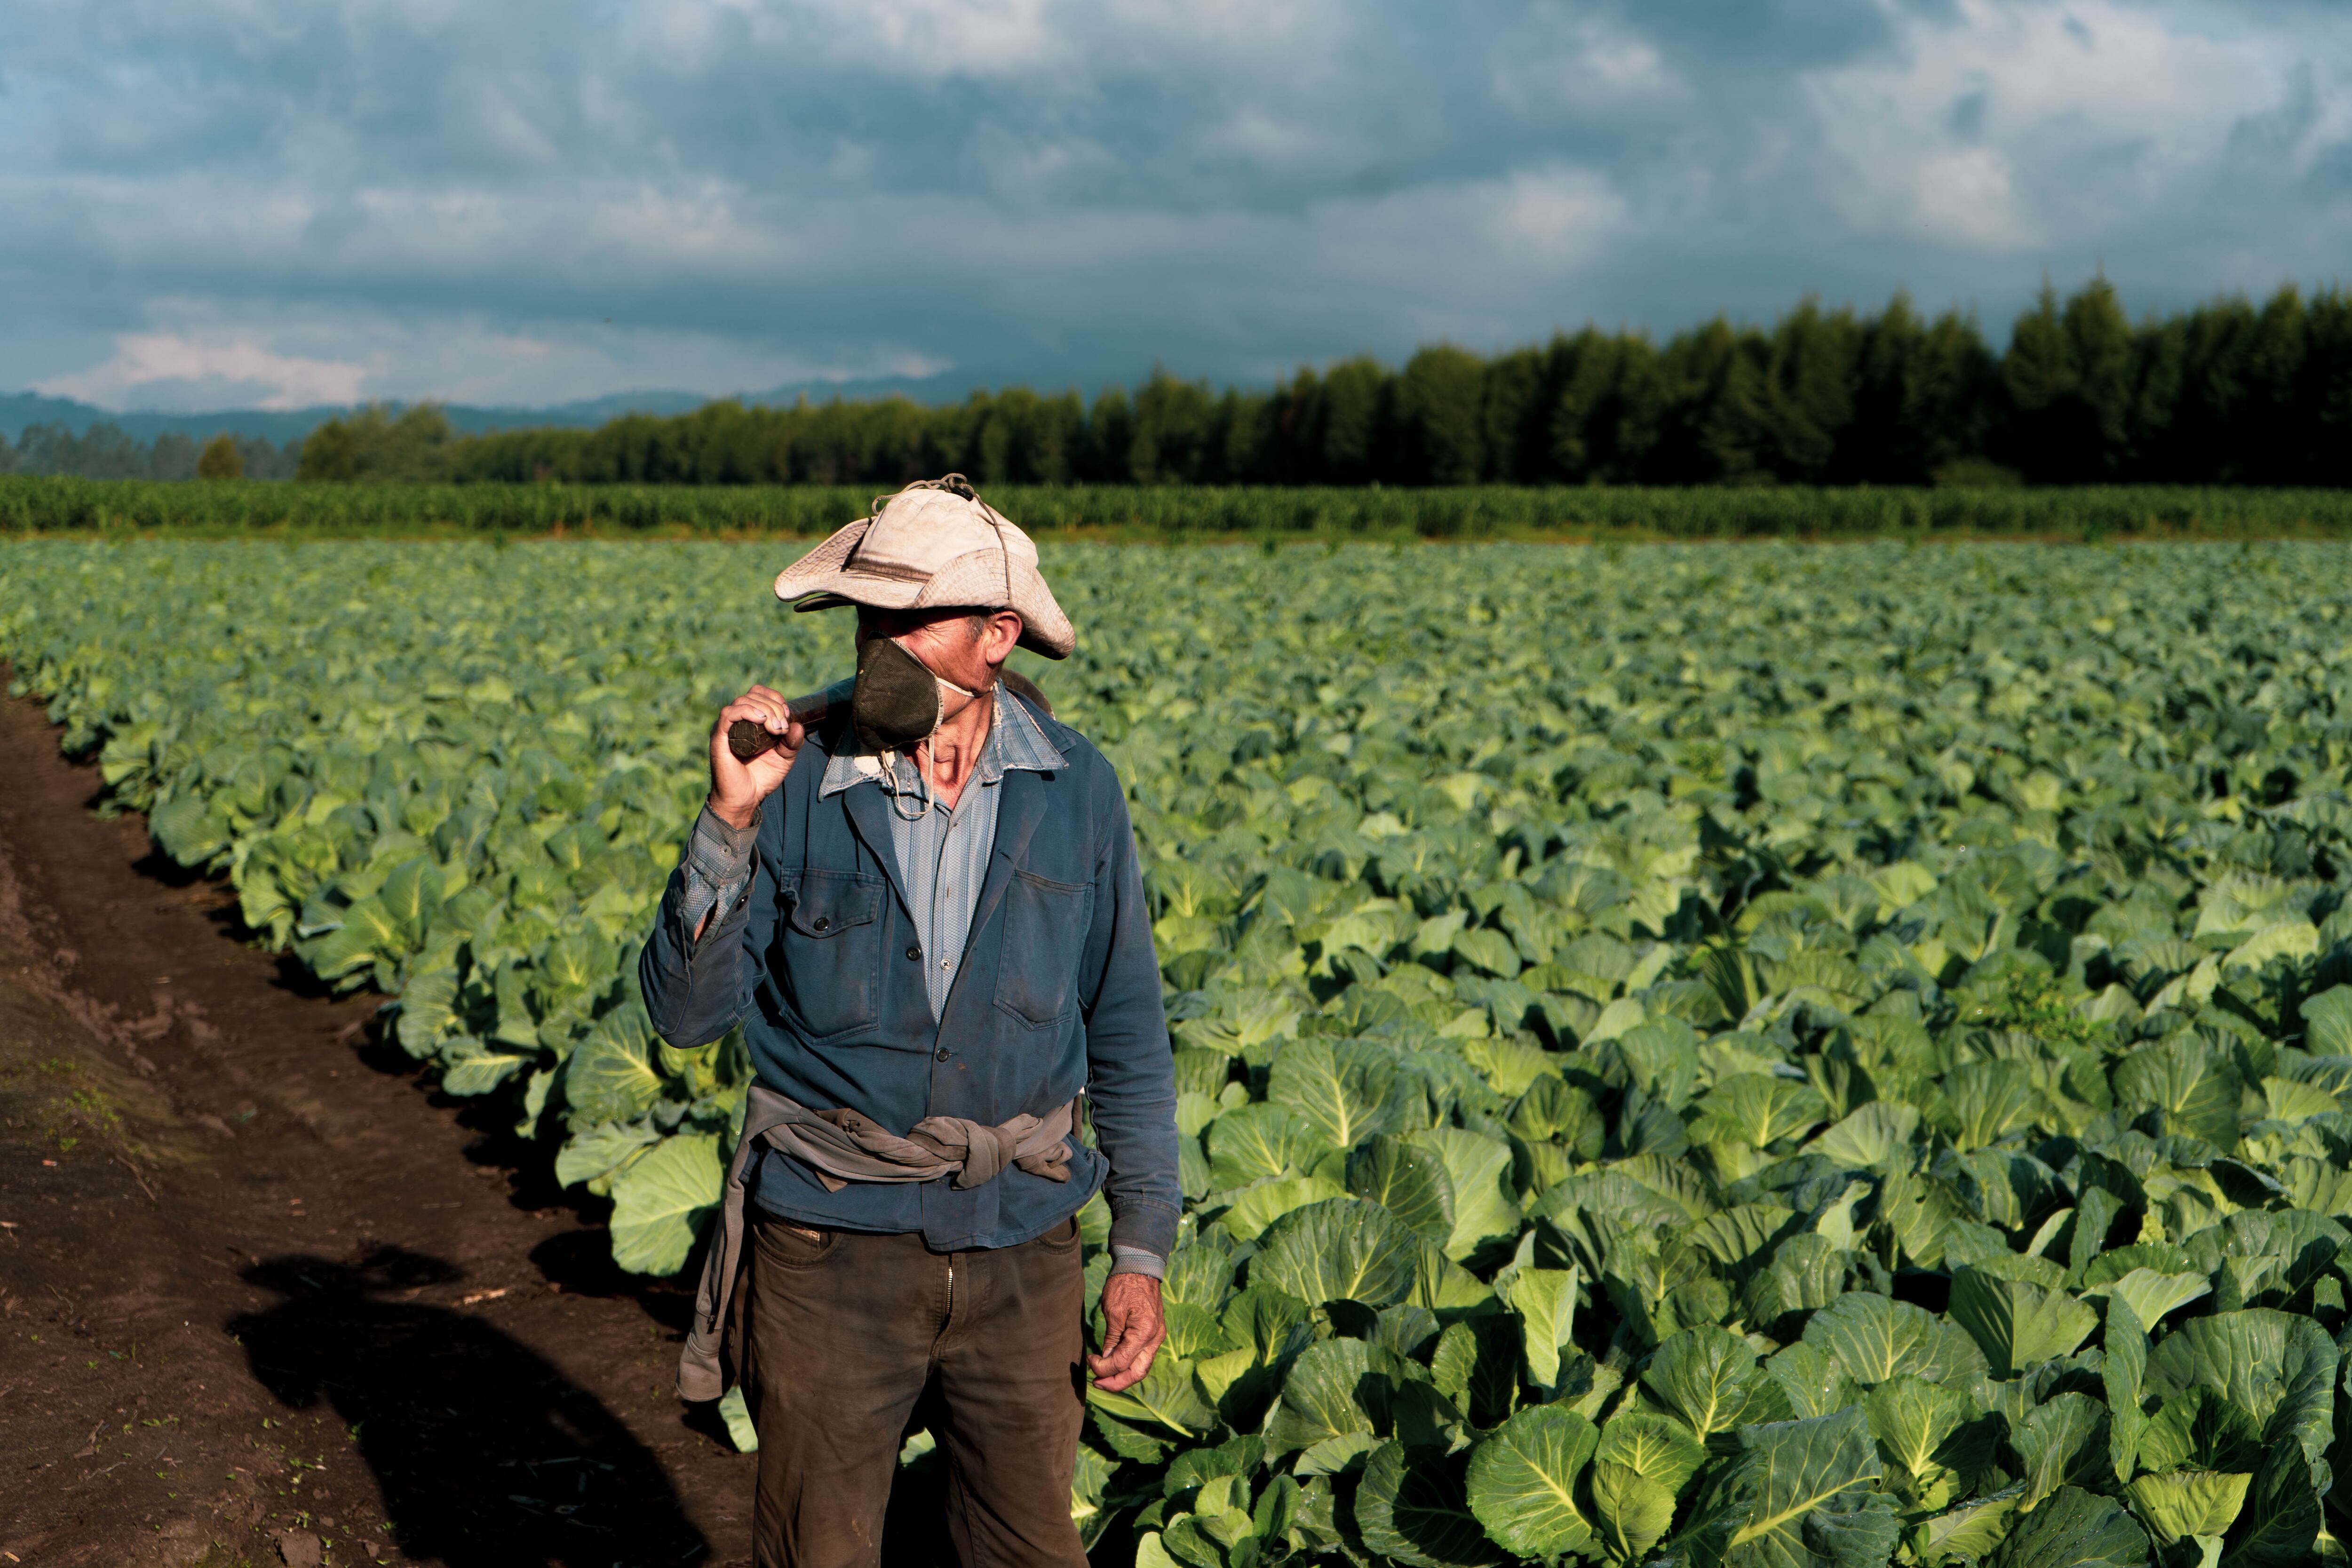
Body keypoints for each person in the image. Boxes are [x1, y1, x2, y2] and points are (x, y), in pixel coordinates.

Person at [637, 476, 1179, 1568]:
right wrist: (728, 819)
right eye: (866, 619)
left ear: (997, 635)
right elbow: (686, 1018)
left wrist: (1139, 1249)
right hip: (832, 1239)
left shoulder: (1077, 790)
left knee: (1024, 1549)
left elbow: (1126, 1030)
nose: (876, 645)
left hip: (1023, 1244)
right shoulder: (791, 777)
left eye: (906, 620)